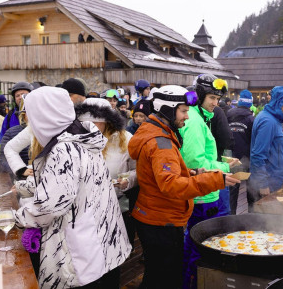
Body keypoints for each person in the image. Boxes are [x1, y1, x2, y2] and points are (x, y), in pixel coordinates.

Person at [13, 86, 131, 288]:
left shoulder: (64, 148)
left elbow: (51, 206)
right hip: (98, 244)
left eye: (31, 116)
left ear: (43, 115)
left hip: (81, 253)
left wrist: (17, 218)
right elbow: (70, 182)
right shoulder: (82, 138)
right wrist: (24, 186)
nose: (30, 123)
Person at [128, 85, 239, 289]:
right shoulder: (161, 143)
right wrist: (215, 181)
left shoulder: (158, 131)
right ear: (168, 109)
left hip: (156, 216)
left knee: (155, 274)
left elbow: (163, 174)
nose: (187, 117)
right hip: (161, 222)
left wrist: (195, 173)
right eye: (184, 111)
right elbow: (170, 185)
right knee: (164, 279)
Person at [179, 74, 240, 288]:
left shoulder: (197, 115)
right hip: (203, 194)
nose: (216, 103)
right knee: (200, 248)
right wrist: (224, 167)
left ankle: (186, 282)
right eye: (212, 97)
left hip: (203, 190)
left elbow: (200, 155)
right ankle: (192, 284)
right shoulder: (195, 121)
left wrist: (221, 160)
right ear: (200, 95)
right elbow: (194, 161)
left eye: (218, 99)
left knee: (192, 243)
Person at [75, 98, 137, 244]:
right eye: (83, 122)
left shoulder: (127, 140)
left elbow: (138, 170)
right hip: (85, 209)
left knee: (115, 253)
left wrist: (127, 180)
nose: (88, 126)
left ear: (107, 121)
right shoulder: (77, 139)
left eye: (94, 122)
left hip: (118, 207)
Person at [248, 86, 283, 210]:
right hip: (267, 184)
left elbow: (271, 146)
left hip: (274, 180)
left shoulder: (274, 119)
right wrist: (263, 184)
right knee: (263, 224)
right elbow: (257, 155)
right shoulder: (268, 121)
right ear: (279, 102)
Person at [227, 89, 255, 214]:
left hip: (231, 158)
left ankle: (231, 217)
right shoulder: (251, 119)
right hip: (247, 158)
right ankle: (250, 217)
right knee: (250, 189)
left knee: (232, 189)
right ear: (250, 103)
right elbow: (253, 140)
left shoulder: (228, 115)